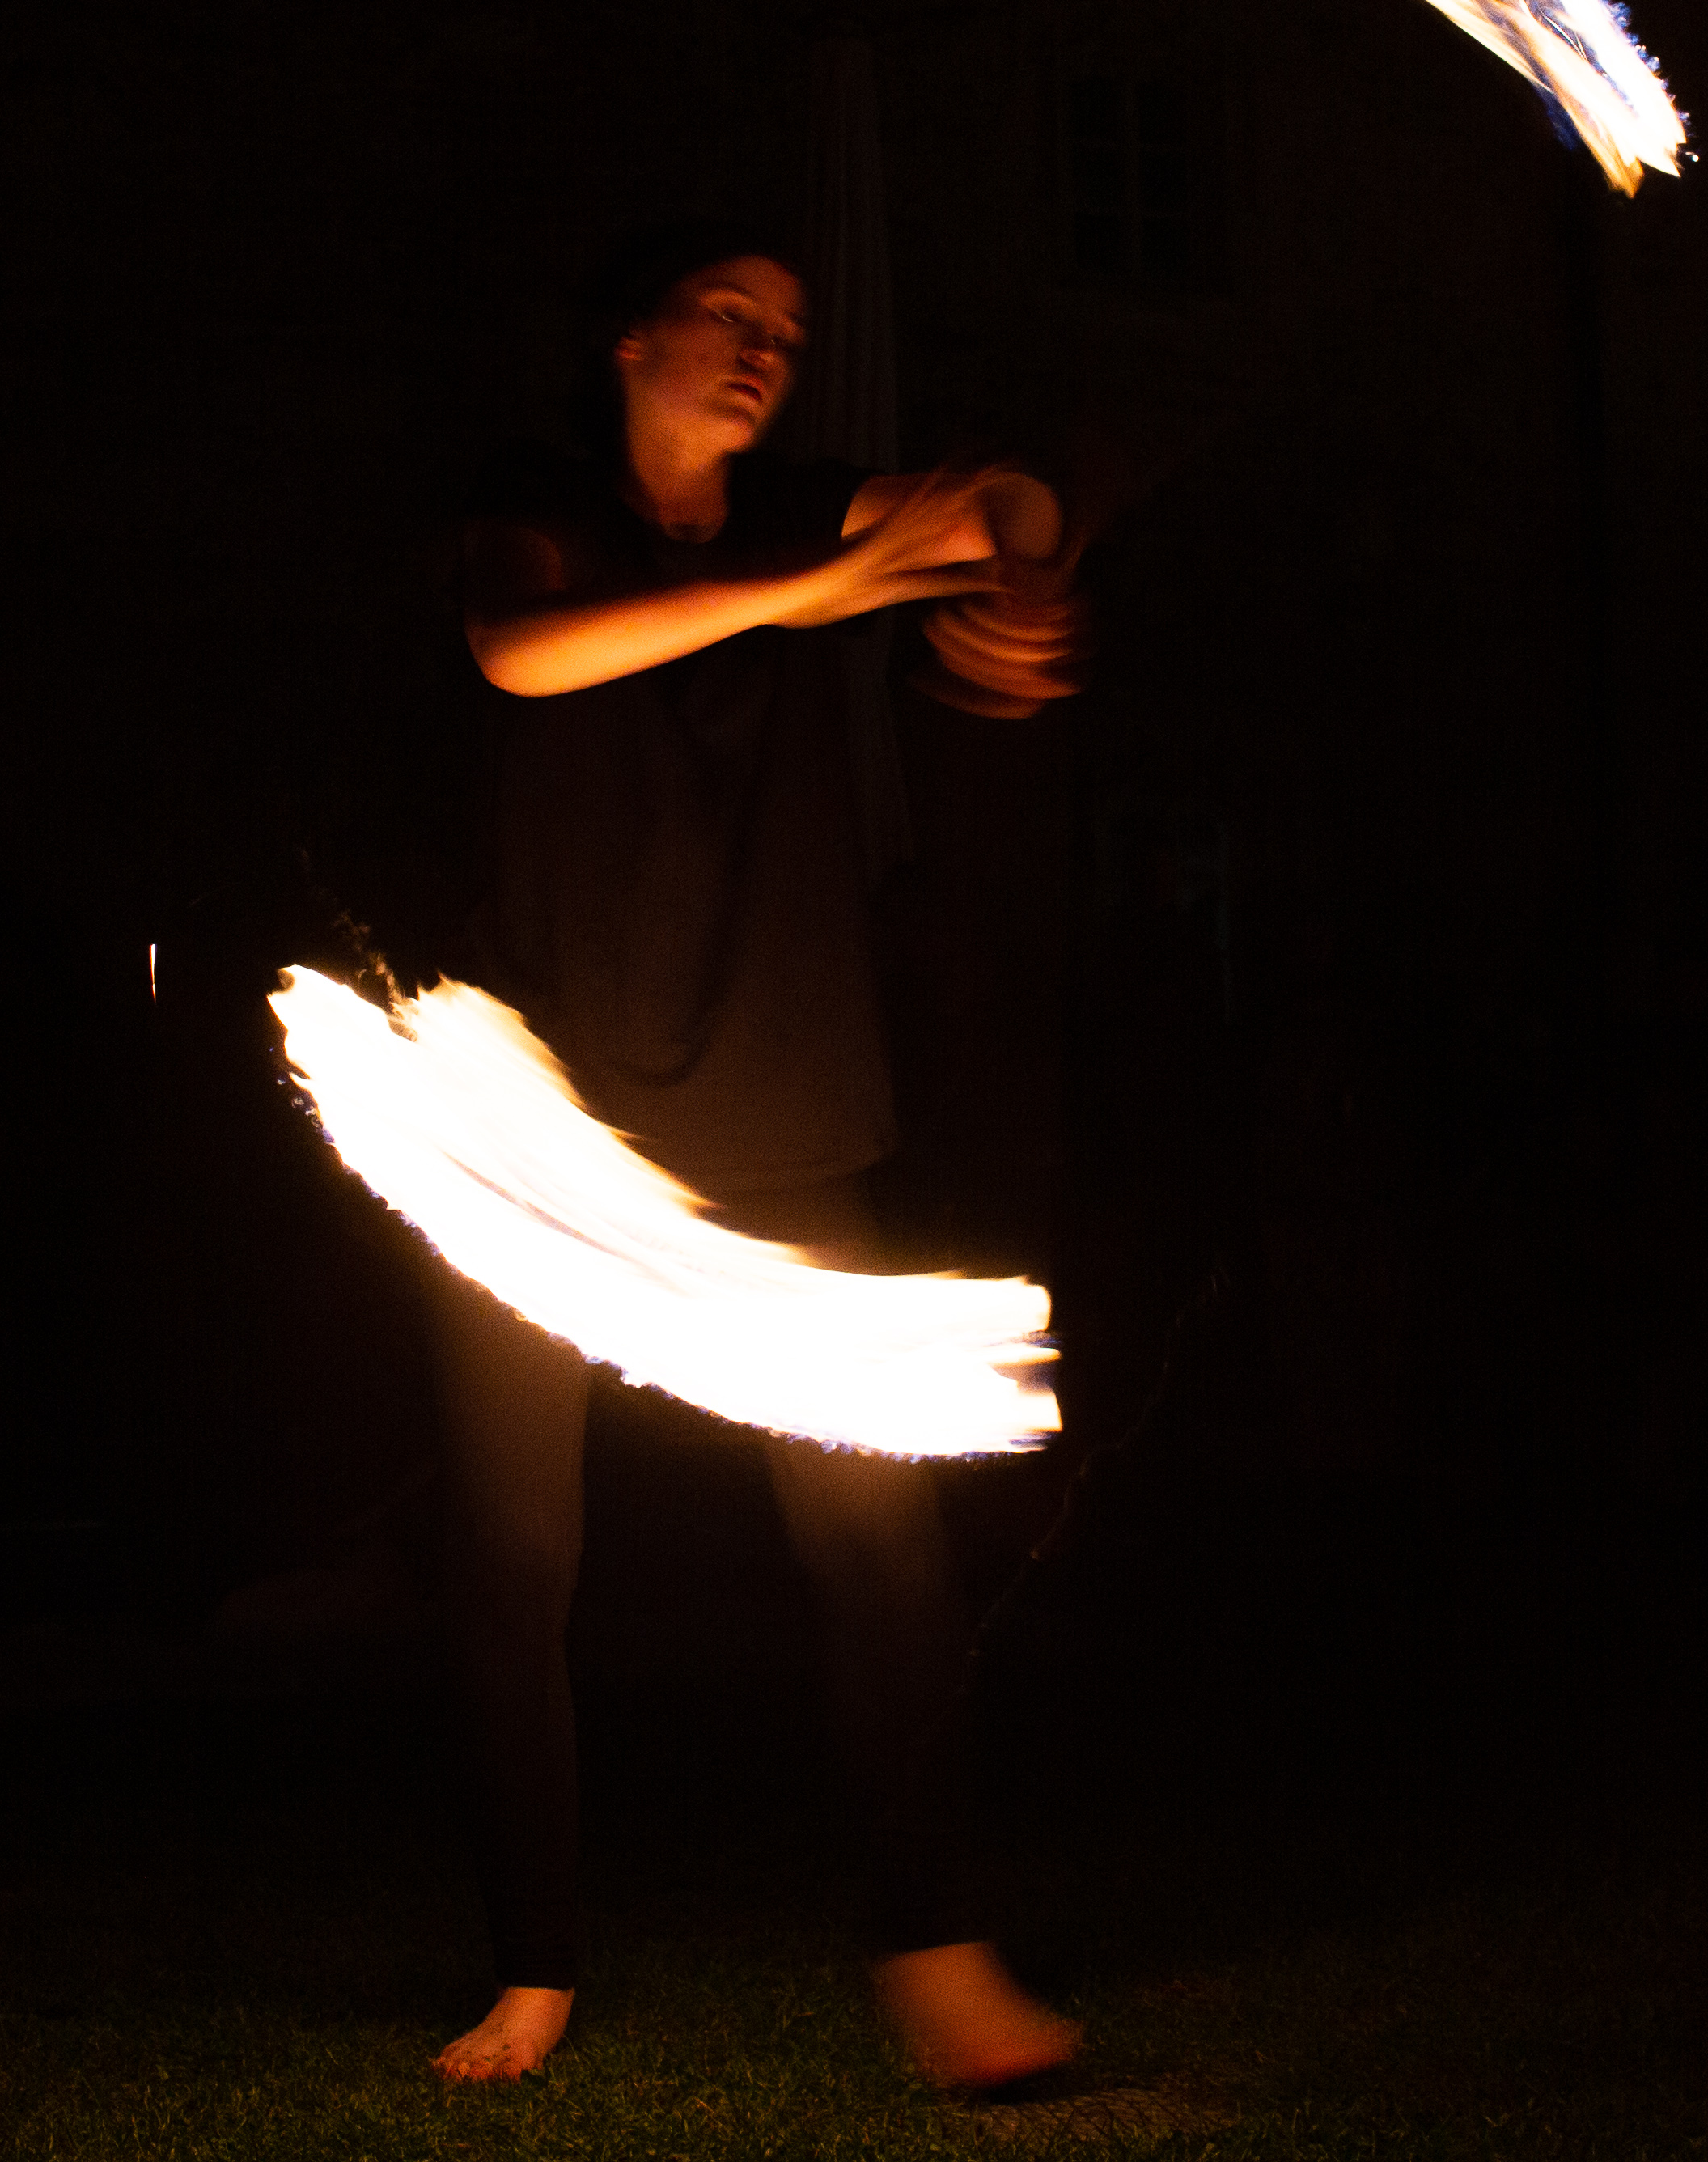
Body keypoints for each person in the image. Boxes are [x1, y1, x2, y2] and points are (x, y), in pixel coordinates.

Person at [426, 223, 1087, 2092]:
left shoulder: (810, 513)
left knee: (880, 1541)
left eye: (788, 333)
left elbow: (1007, 504)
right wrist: (820, 592)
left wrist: (1014, 561)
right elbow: (524, 655)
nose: (763, 351)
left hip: (783, 1091)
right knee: (512, 1553)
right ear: (629, 337)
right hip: (543, 1122)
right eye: (727, 314)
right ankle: (533, 1967)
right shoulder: (537, 509)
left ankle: (939, 1947)